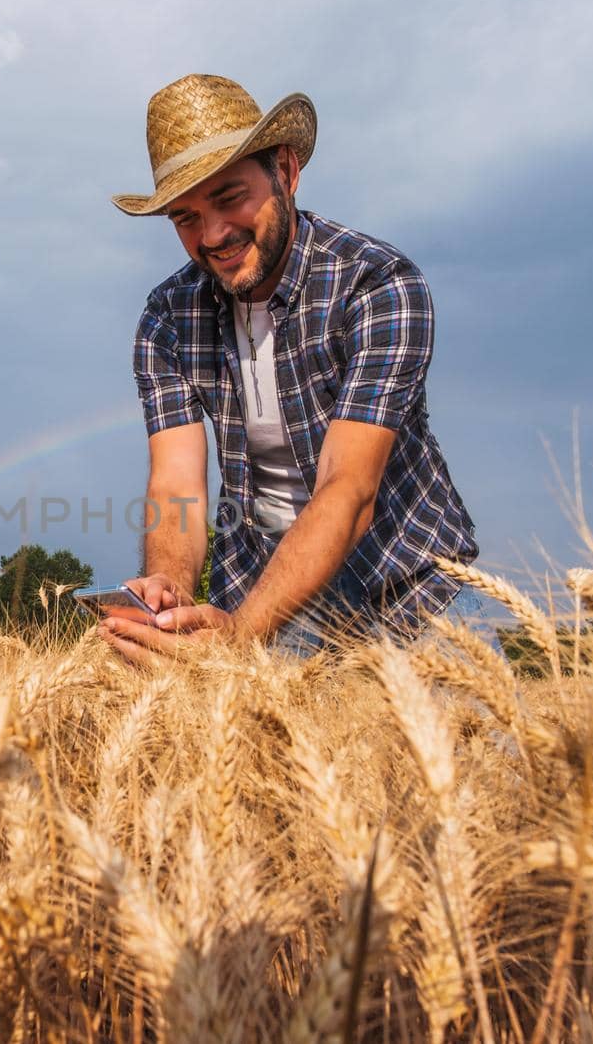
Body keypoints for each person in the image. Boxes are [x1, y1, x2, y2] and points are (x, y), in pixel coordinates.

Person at [96, 74, 486, 665]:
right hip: (260, 598)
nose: (213, 236)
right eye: (185, 218)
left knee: (484, 754)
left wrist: (239, 638)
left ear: (286, 169)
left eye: (229, 199)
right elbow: (176, 485)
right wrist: (168, 592)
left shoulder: (377, 284)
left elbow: (349, 488)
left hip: (407, 589)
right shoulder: (166, 317)